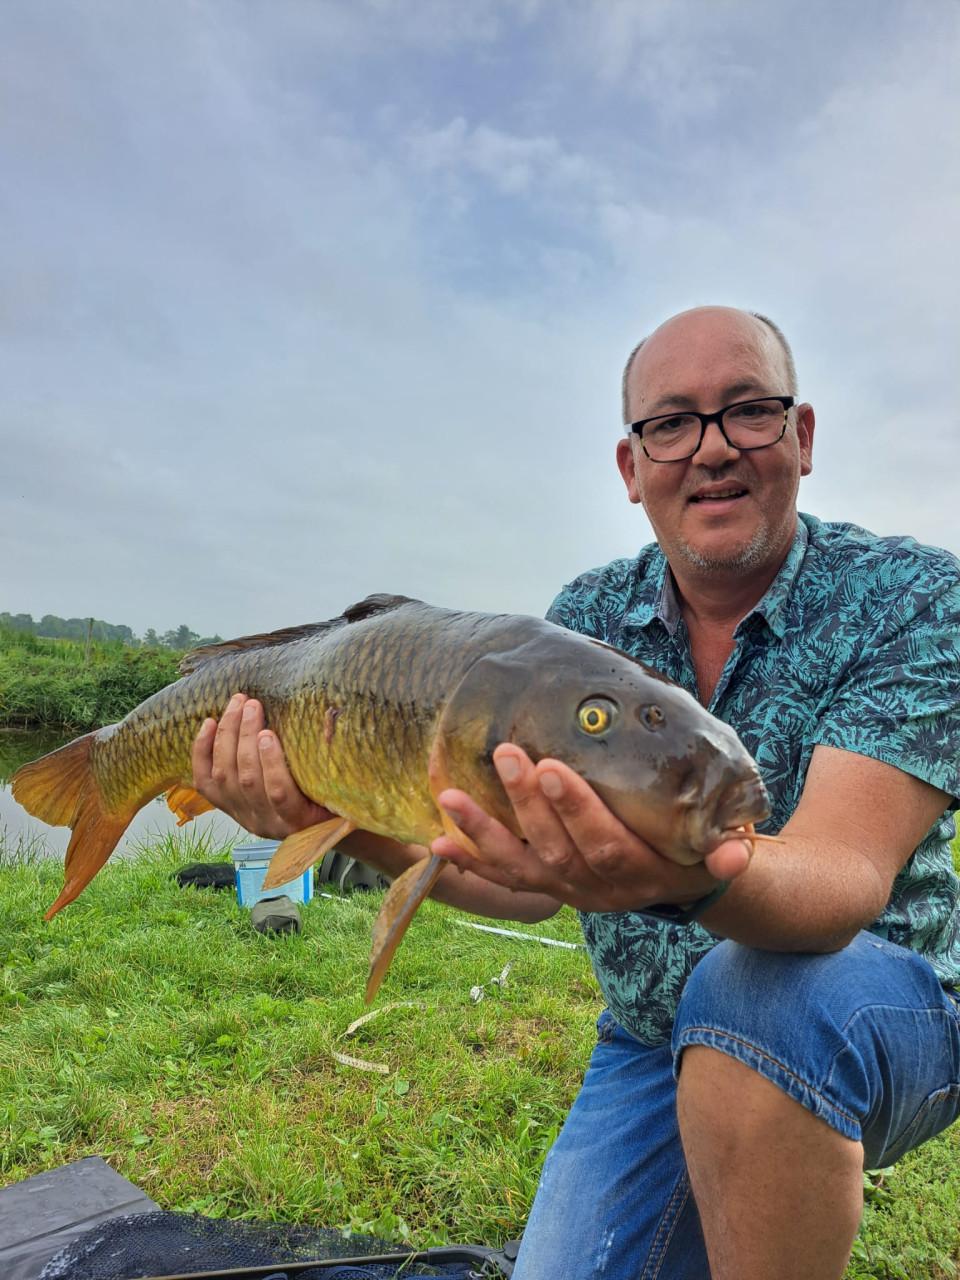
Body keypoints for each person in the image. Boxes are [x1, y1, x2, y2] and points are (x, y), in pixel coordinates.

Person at [192, 306, 960, 1280]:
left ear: (800, 435)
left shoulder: (914, 599)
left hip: (877, 1007)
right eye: (671, 423)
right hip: (647, 1036)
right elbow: (521, 882)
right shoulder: (588, 618)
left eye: (748, 410)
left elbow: (842, 875)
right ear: (632, 466)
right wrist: (334, 822)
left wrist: (683, 879)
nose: (711, 448)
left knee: (753, 996)